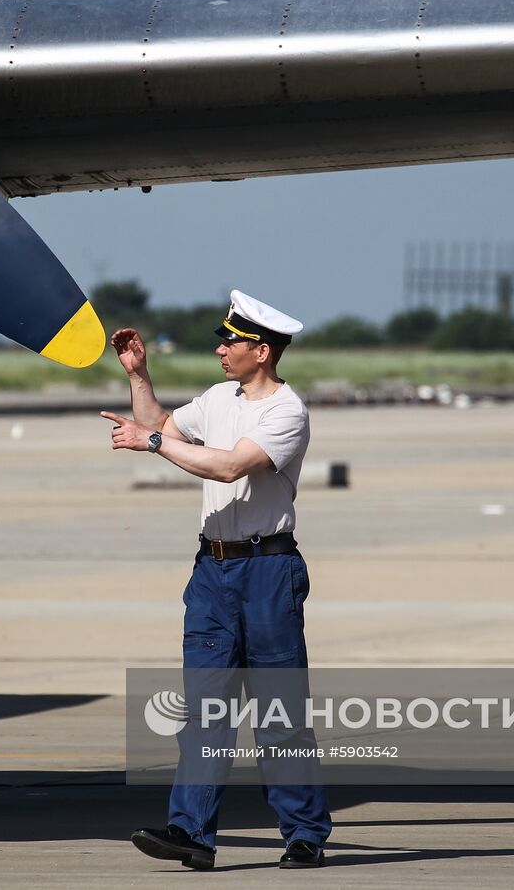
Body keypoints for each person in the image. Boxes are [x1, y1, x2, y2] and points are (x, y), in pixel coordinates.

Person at [100, 290, 332, 870]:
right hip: (212, 571)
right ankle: (192, 834)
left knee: (278, 714)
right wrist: (138, 376)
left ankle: (304, 833)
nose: (221, 349)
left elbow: (228, 465)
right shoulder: (217, 397)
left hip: (268, 572)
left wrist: (153, 443)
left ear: (262, 350)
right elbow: (161, 424)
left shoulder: (286, 412)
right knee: (204, 713)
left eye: (231, 341)